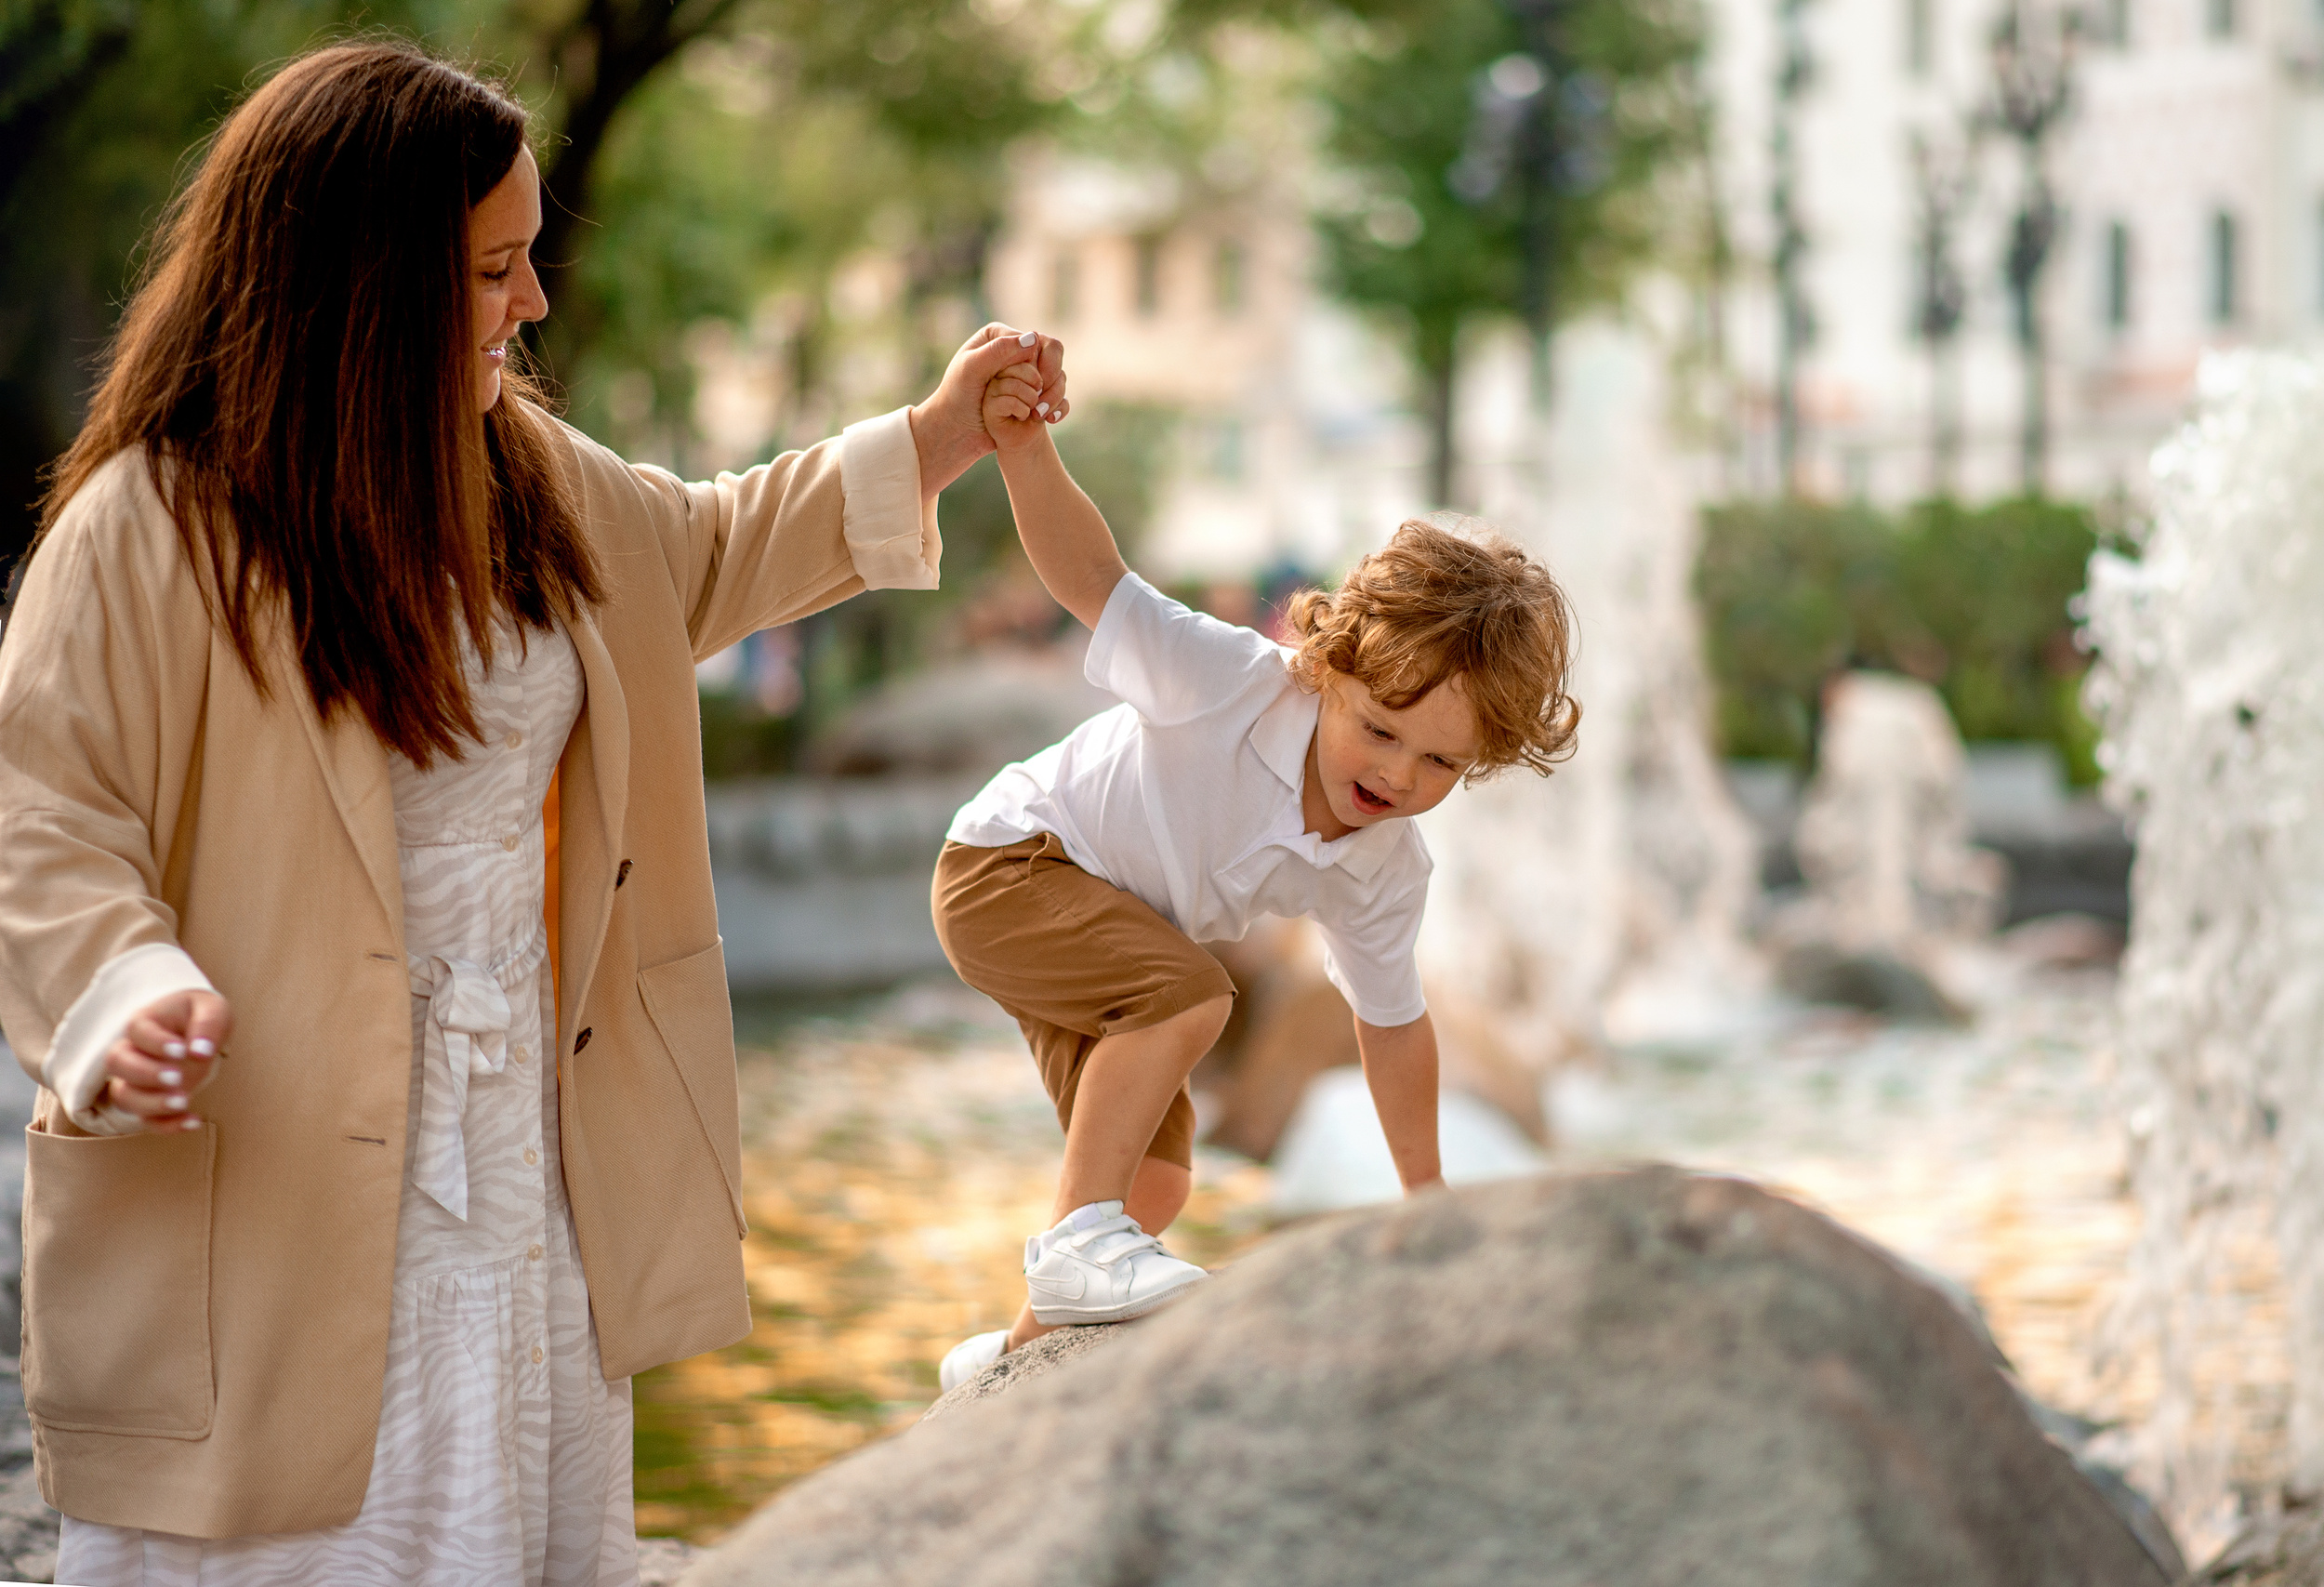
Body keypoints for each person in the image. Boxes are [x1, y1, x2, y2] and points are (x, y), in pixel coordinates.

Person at [0, 41, 1066, 1586]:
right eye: (496, 266)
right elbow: (46, 814)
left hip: (528, 1167)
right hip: (271, 1157)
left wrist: (943, 430)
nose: (535, 301)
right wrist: (122, 991)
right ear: (362, 285)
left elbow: (707, 551)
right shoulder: (151, 525)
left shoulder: (535, 486)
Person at [929, 340, 1582, 1390]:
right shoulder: (1230, 681)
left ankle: (1004, 1370)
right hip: (1009, 865)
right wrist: (1022, 451)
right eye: (1379, 729)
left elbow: (1393, 1030)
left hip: (1105, 930)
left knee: (1157, 1178)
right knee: (1189, 999)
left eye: (1441, 763)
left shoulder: (1382, 868)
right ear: (1328, 670)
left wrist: (1427, 1200)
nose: (1398, 775)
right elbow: (1093, 579)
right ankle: (1068, 1254)